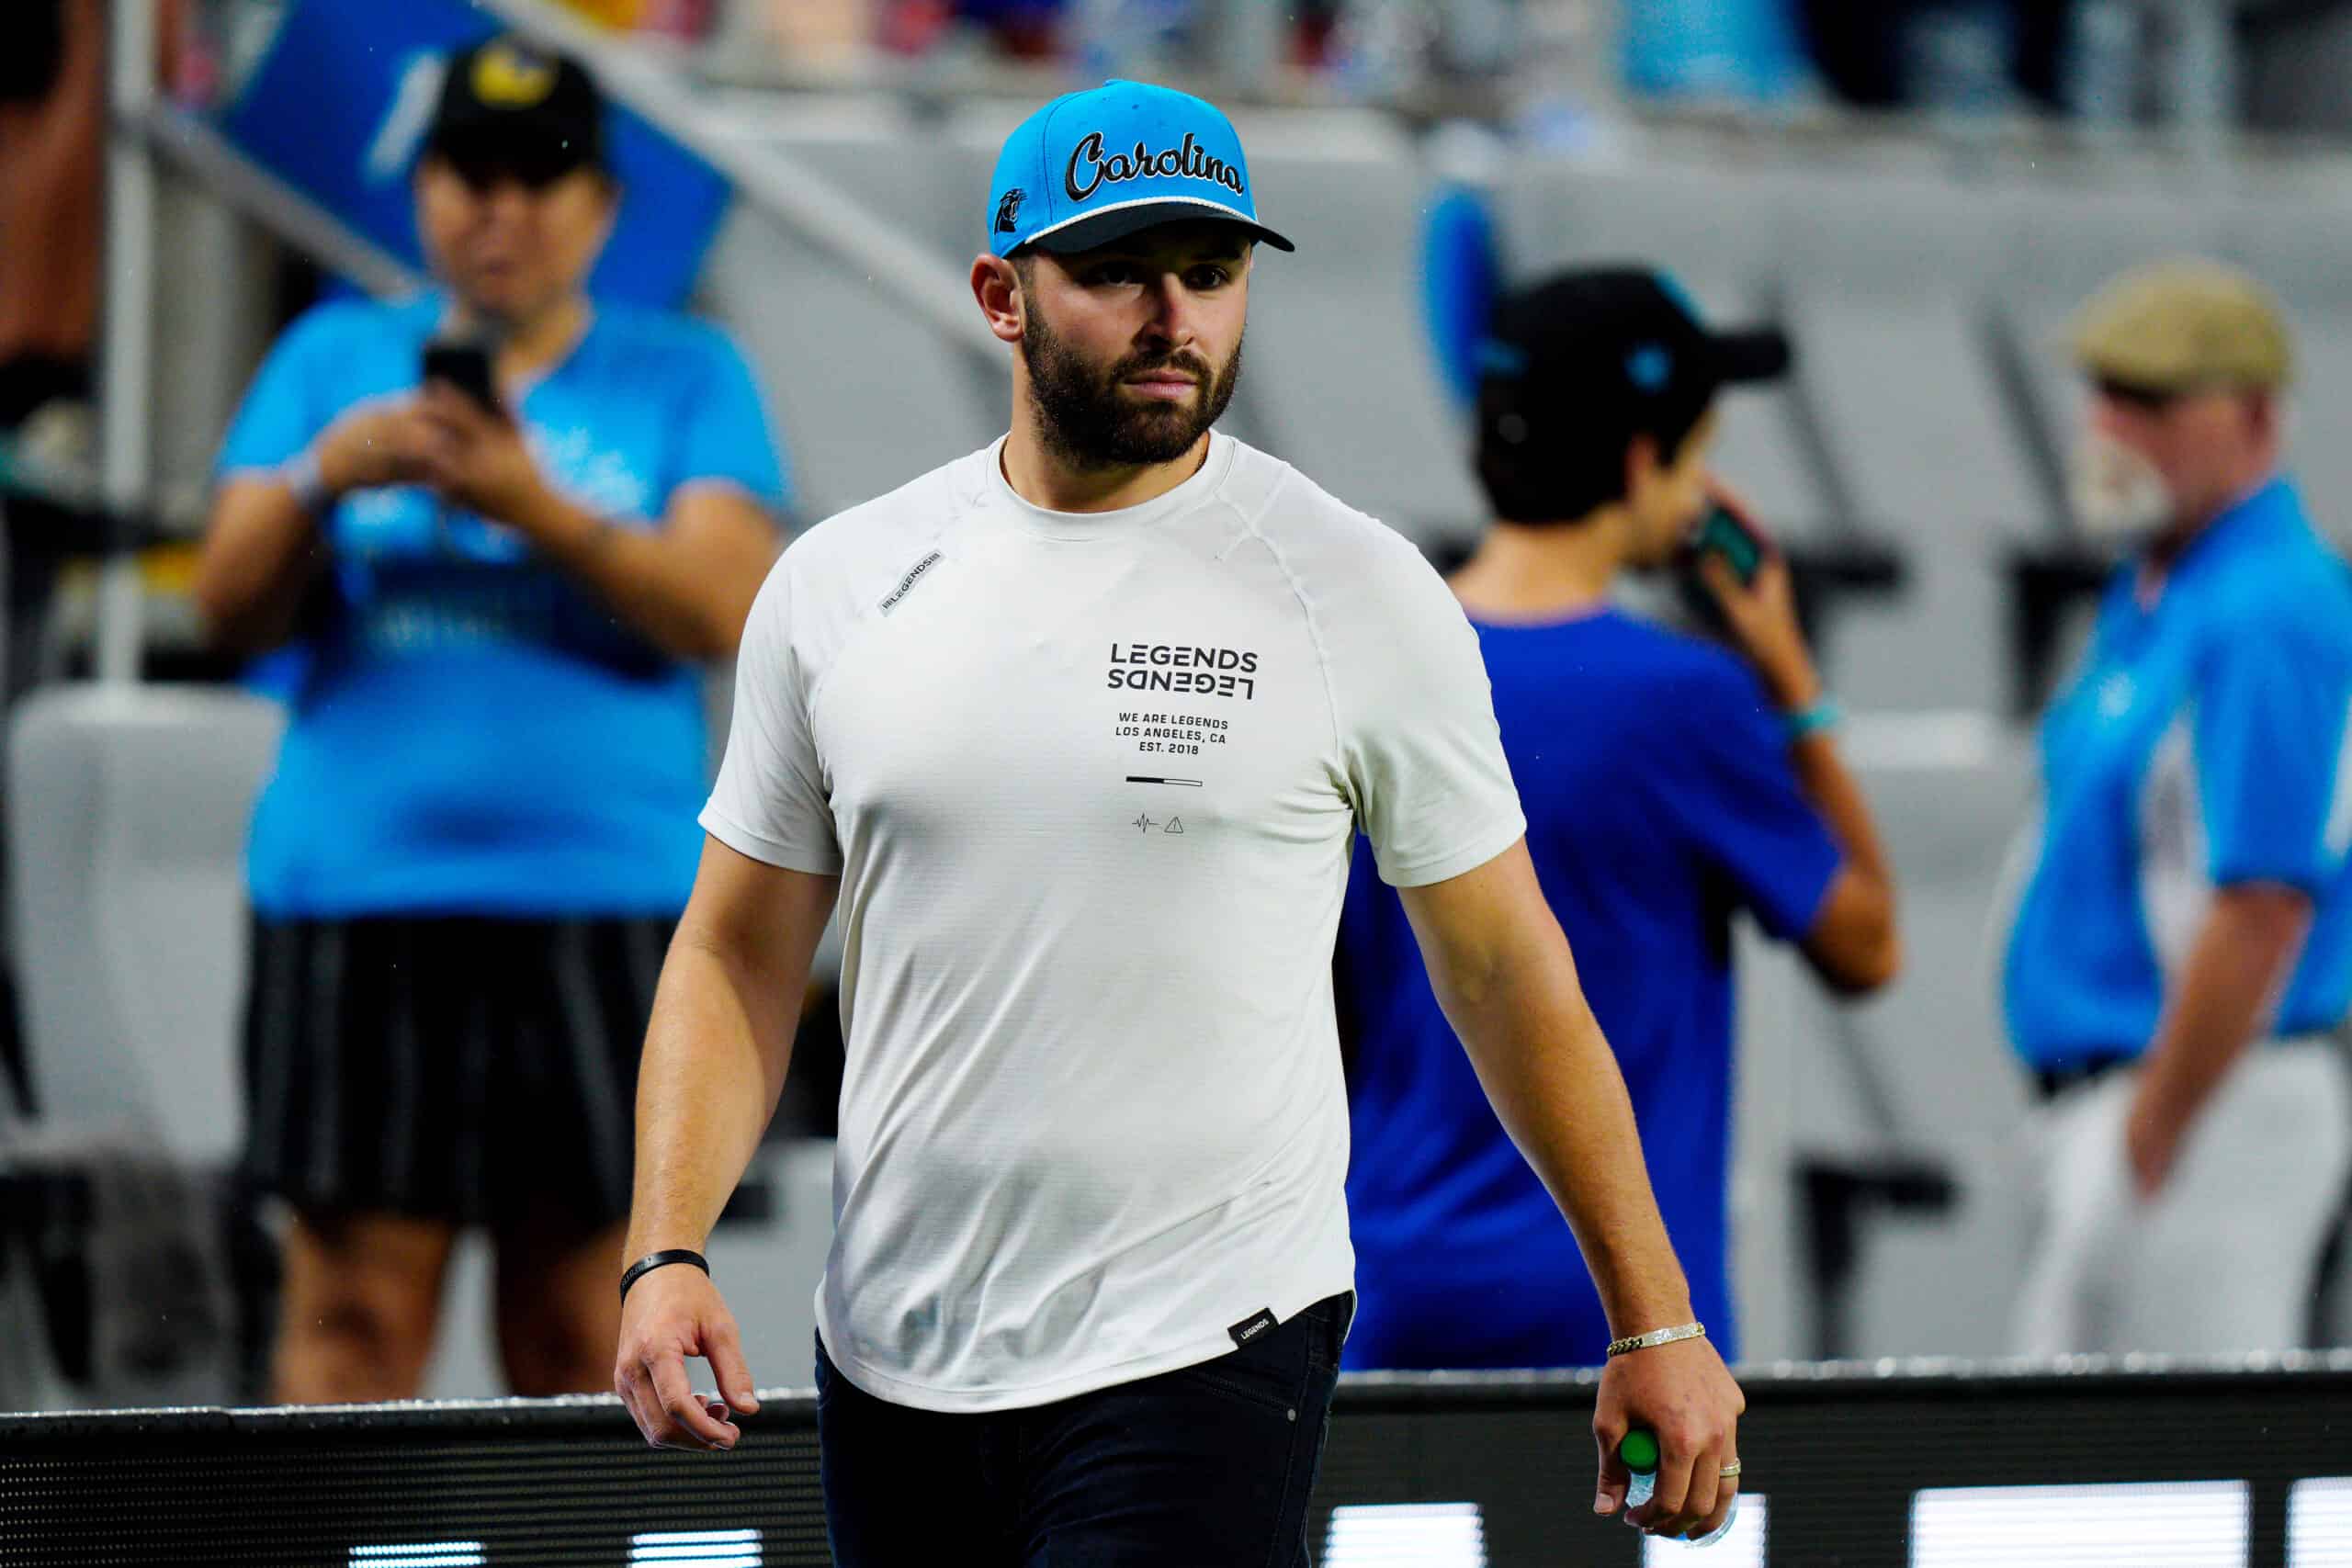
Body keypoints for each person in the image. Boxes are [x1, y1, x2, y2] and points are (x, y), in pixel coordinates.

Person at [613, 80, 1745, 1561]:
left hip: (1209, 1332)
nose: (1174, 315)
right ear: (1000, 294)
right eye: (1118, 271)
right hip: (892, 1341)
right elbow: (734, 956)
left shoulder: (1355, 587)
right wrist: (666, 1244)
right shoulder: (842, 585)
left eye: (1210, 274)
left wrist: (1650, 1310)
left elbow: (1506, 970)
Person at [192, 36, 787, 1402]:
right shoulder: (334, 357)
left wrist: (538, 510)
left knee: (587, 1334)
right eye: (470, 170)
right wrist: (322, 476)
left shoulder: (685, 373)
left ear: (604, 209)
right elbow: (225, 604)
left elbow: (725, 605)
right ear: (421, 188)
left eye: (540, 175)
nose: (500, 205)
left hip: (602, 903)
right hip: (360, 901)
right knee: (352, 1313)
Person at [1335, 268, 1901, 1374]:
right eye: (1695, 455)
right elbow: (1865, 943)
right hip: (1610, 1309)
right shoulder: (1681, 700)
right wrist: (1786, 671)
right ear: (1643, 463)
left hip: (1382, 1285)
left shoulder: (1365, 661)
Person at [2004, 258, 2352, 1357]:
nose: (2110, 427)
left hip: (2209, 1106)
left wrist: (2149, 1139)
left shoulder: (2268, 610)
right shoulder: (2162, 583)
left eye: (2150, 401)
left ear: (2252, 415)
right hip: (2131, 1105)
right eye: (2102, 393)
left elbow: (2260, 903)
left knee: (2163, 1494)